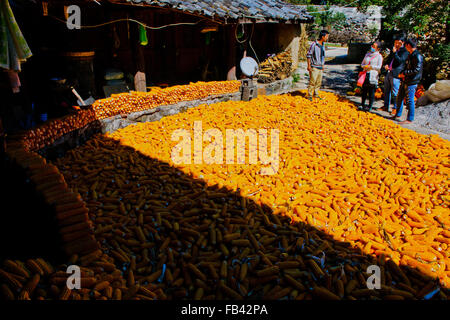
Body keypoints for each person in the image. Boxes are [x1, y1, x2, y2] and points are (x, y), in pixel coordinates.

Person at [393, 37, 424, 124]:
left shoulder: (417, 55)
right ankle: (398, 114)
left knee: (410, 99)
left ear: (408, 45)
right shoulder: (411, 54)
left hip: (412, 81)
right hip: (406, 79)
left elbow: (416, 70)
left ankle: (410, 119)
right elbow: (407, 66)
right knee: (400, 97)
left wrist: (405, 73)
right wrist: (403, 73)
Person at [383, 35, 409, 113]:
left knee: (395, 92)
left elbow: (400, 61)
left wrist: (395, 53)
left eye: (399, 43)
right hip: (389, 72)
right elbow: (390, 59)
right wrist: (386, 64)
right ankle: (385, 106)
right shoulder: (394, 50)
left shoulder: (404, 51)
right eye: (395, 43)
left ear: (403, 43)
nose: (397, 44)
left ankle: (396, 108)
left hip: (397, 73)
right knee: (386, 90)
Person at [306, 30, 329, 101]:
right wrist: (309, 65)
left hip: (320, 66)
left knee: (318, 82)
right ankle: (309, 95)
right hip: (314, 66)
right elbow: (309, 55)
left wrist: (322, 65)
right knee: (312, 81)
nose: (327, 38)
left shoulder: (323, 45)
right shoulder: (314, 45)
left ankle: (316, 94)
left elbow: (322, 56)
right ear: (322, 36)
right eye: (326, 36)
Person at [360, 41, 383, 111]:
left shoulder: (379, 56)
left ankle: (370, 106)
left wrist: (371, 67)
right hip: (365, 74)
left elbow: (379, 67)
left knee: (371, 91)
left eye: (374, 46)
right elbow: (362, 64)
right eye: (372, 46)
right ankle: (362, 104)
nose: (372, 47)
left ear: (378, 49)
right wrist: (364, 66)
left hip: (373, 75)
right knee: (364, 90)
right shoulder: (367, 55)